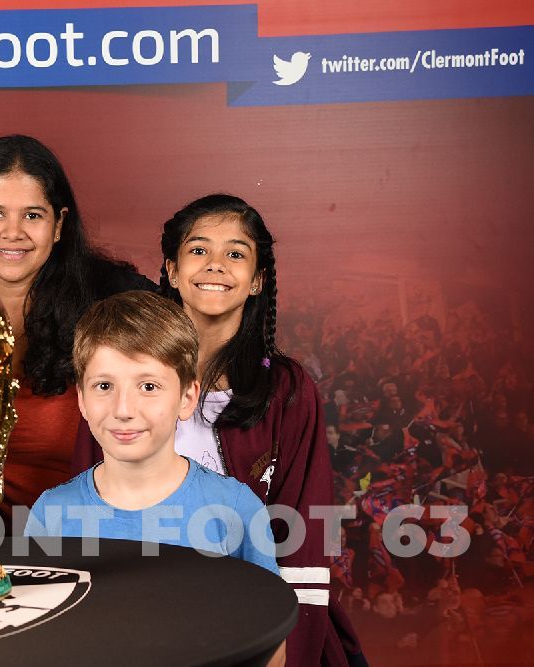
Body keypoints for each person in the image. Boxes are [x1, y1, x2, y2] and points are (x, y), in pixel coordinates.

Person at [158, 193, 364, 665]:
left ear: (257, 281)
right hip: (151, 611)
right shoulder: (129, 374)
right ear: (172, 271)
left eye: (235, 253)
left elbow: (304, 531)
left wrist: (288, 648)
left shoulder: (287, 388)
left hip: (256, 619)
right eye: (197, 250)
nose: (215, 265)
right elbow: (89, 498)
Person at [26, 291, 285, 665]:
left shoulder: (235, 508)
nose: (124, 409)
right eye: (104, 386)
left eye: (148, 386)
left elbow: (271, 642)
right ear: (81, 398)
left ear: (186, 396)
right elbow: (40, 639)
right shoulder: (52, 513)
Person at [0, 135, 153, 526]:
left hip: (90, 540)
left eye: (33, 215)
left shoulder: (114, 303)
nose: (13, 232)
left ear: (59, 225)